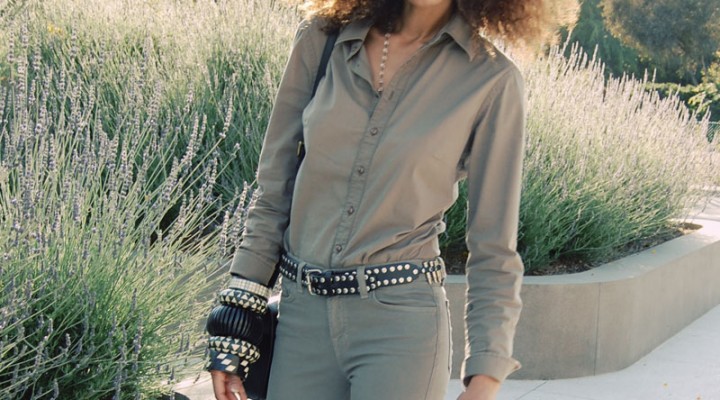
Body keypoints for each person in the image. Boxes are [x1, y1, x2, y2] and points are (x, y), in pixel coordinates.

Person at [205, 0, 574, 399]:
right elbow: (274, 187)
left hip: (401, 330)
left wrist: (485, 374)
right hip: (301, 322)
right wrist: (237, 312)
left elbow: (493, 246)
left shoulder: (491, 80)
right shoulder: (323, 40)